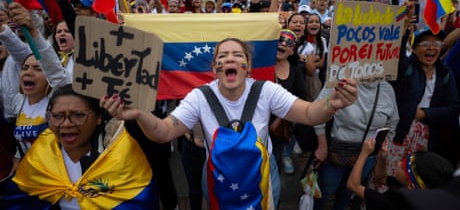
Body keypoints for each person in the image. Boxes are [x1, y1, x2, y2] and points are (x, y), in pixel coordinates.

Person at [100, 37, 358, 207]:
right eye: (223, 56)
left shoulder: (266, 90)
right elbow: (164, 131)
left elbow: (309, 114)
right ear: (215, 68)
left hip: (263, 176)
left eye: (237, 54)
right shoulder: (200, 96)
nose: (230, 58)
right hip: (217, 175)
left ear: (247, 66)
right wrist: (140, 114)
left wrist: (331, 105)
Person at [1, 84, 159, 209]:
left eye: (78, 115)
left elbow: (140, 201)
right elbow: (19, 201)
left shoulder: (123, 153)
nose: (66, 124)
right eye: (57, 116)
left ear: (98, 118)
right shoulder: (41, 151)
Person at [0, 2, 72, 169]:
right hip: (31, 177)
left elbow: (53, 69)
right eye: (24, 68)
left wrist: (32, 31)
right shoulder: (19, 101)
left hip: (60, 175)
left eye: (37, 69)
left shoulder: (56, 97)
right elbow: (21, 148)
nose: (28, 73)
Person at [313, 80, 400, 210]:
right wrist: (322, 145)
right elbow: (317, 110)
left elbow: (393, 122)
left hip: (367, 157)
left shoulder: (386, 89)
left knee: (347, 192)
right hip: (337, 152)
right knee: (323, 190)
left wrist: (383, 146)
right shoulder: (341, 81)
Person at [389, 26, 460, 173]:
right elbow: (398, 57)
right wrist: (403, 34)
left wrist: (426, 113)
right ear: (414, 49)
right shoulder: (407, 69)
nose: (432, 48)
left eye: (437, 44)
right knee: (392, 172)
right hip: (400, 131)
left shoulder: (445, 74)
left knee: (416, 174)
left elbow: (453, 107)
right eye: (426, 44)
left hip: (429, 136)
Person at [347, 138, 454, 210]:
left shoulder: (391, 202)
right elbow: (380, 178)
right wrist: (382, 159)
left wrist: (364, 153)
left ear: (411, 186)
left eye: (403, 166)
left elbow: (353, 185)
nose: (398, 163)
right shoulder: (406, 188)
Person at [269, 30, 307, 176]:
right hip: (257, 123)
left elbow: (300, 97)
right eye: (280, 40)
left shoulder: (295, 71)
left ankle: (273, 195)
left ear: (292, 51)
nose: (284, 44)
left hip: (279, 128)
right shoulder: (261, 66)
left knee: (274, 161)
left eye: (289, 43)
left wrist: (280, 117)